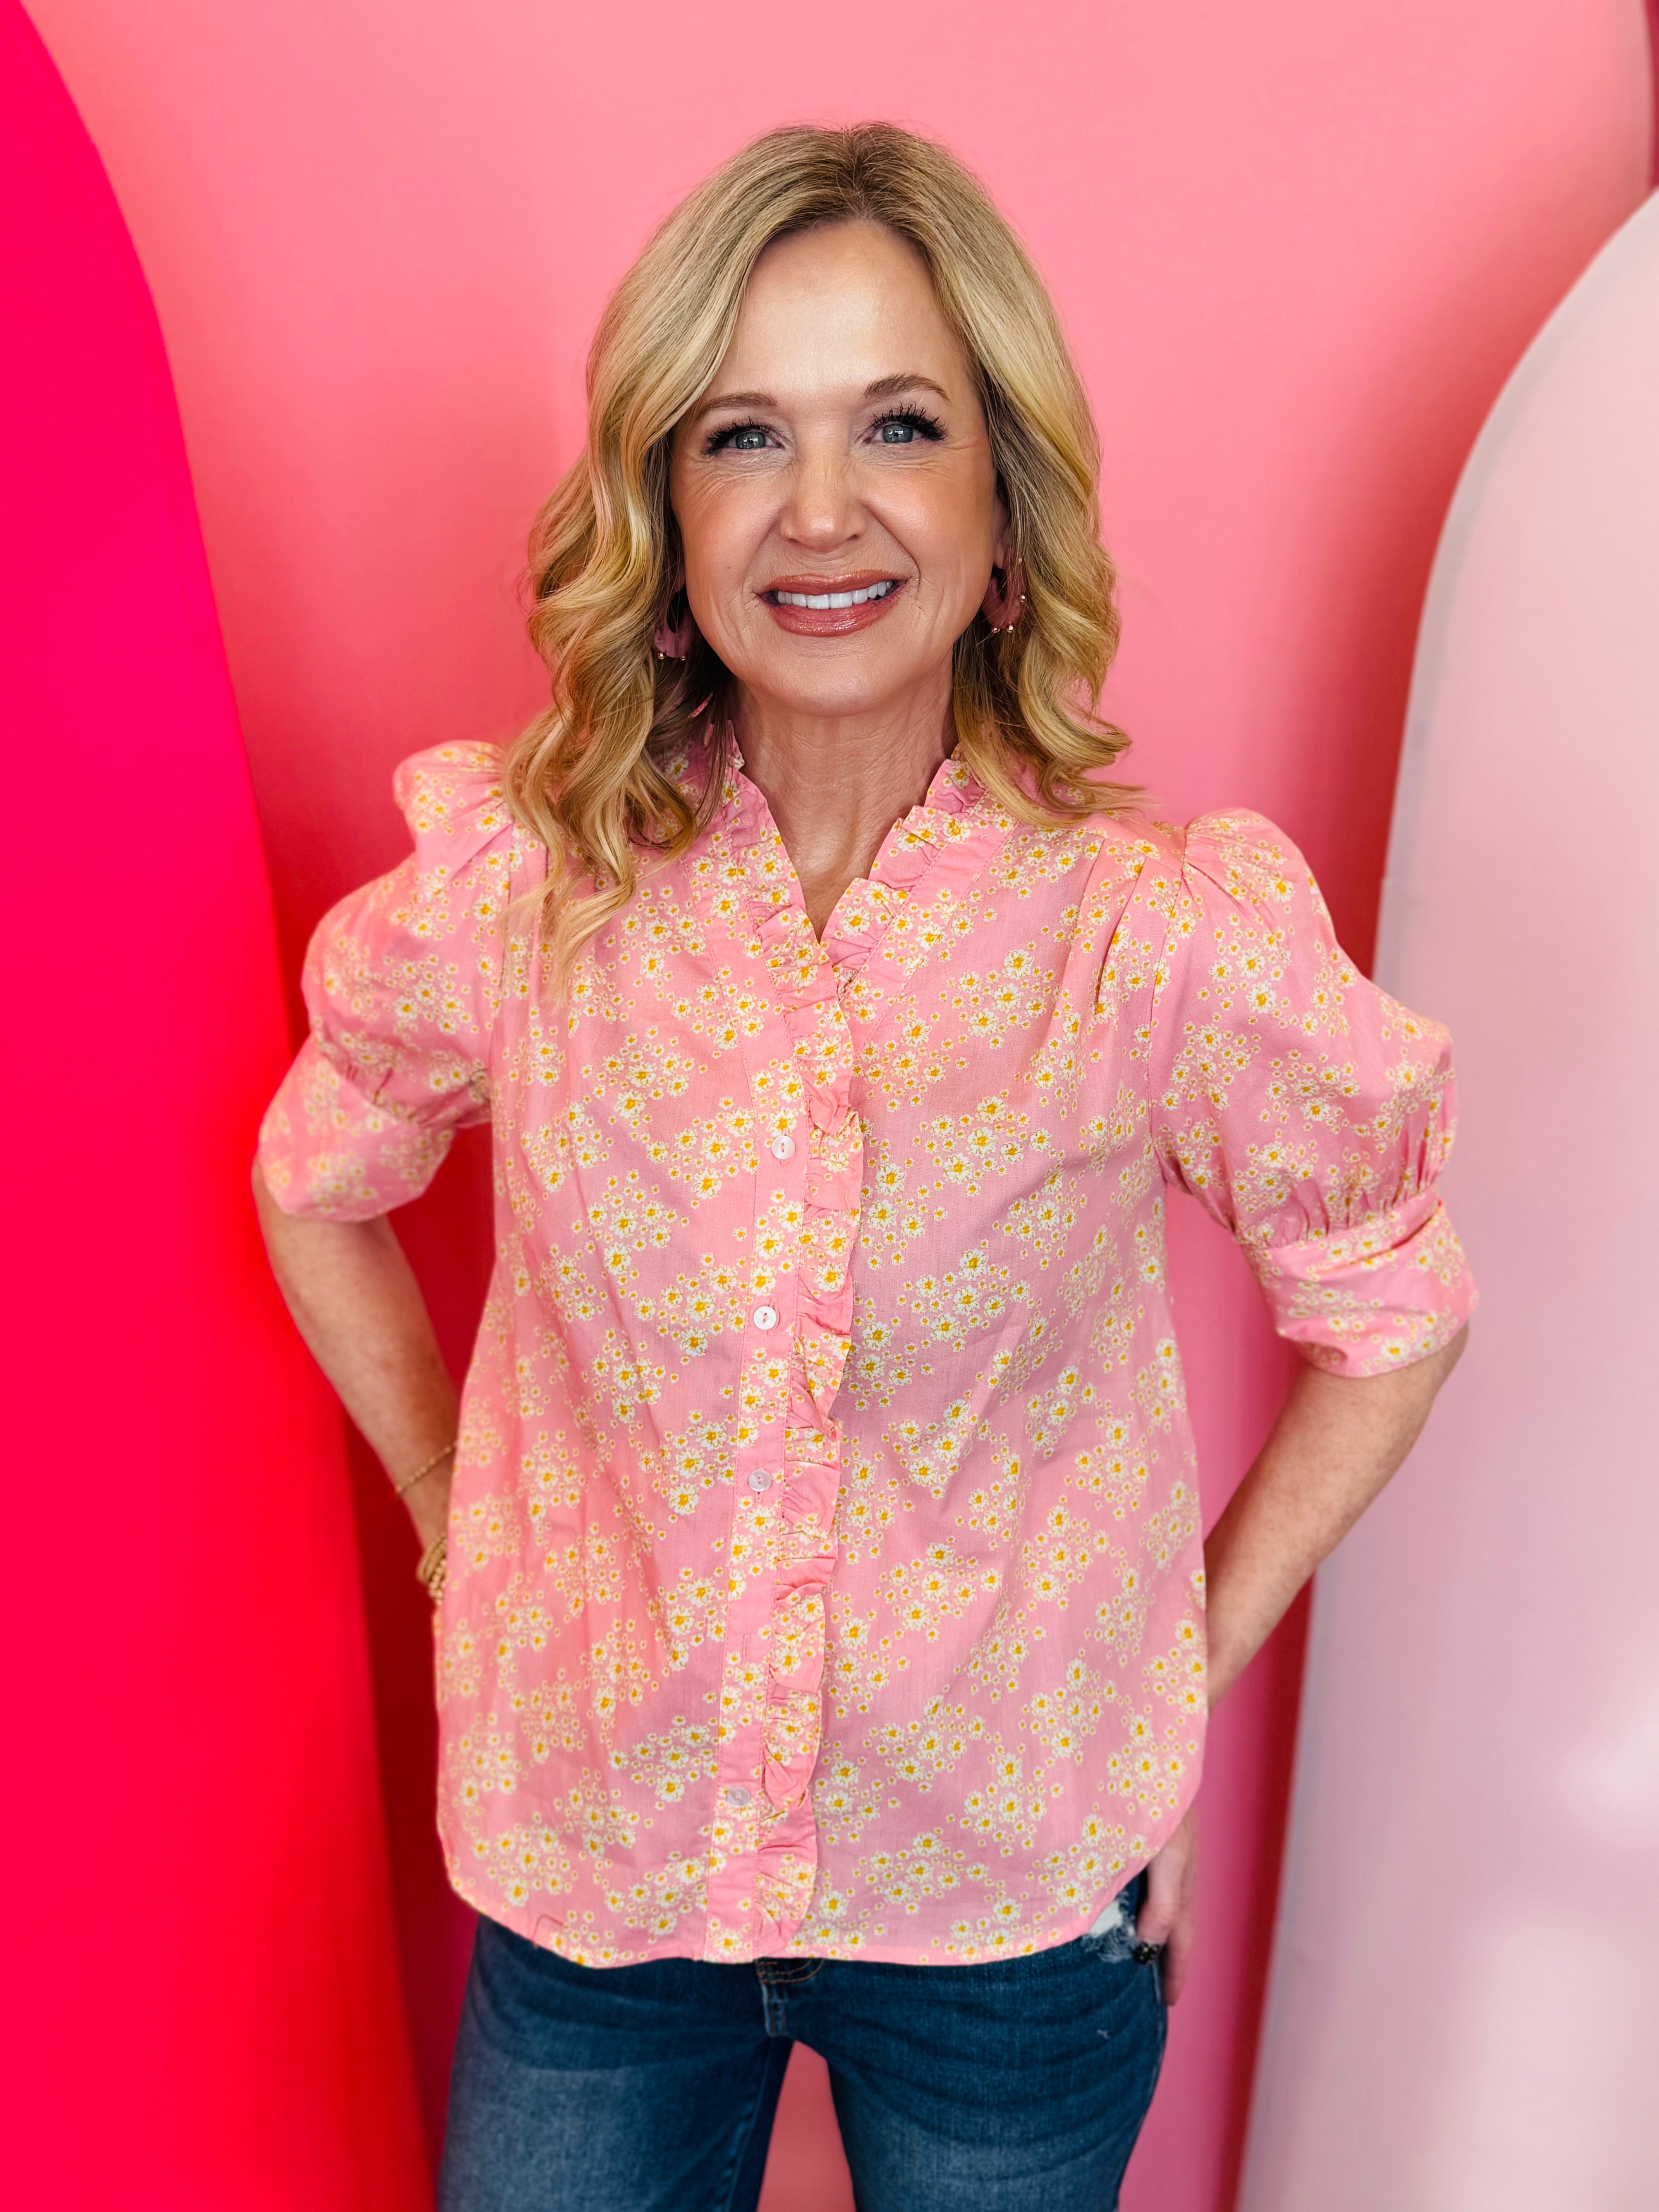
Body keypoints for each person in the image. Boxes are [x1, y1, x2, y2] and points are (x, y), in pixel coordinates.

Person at [255, 123, 1473, 2212]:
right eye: (744, 436)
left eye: (898, 424)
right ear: (668, 519)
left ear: (1002, 515)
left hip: (1010, 1908)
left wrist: (1174, 1669)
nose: (819, 508)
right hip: (598, 1869)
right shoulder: (522, 895)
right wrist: (458, 1506)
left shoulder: (1150, 941)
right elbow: (317, 1172)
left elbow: (1394, 1303)